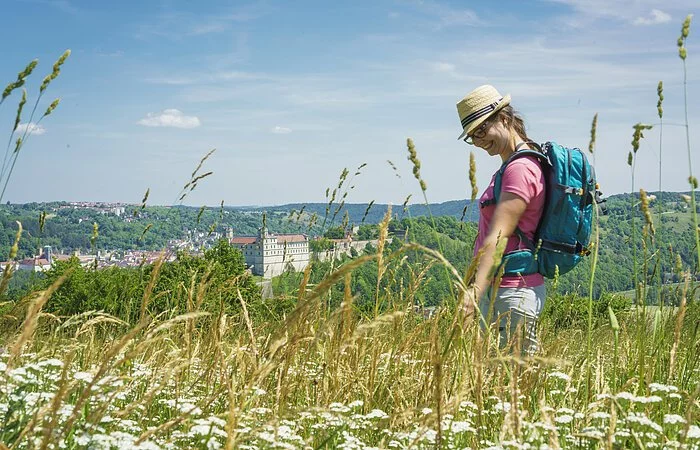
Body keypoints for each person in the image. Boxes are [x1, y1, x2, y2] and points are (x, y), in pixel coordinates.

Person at [455, 85, 546, 354]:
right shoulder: (513, 166)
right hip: (504, 291)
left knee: (512, 386)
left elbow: (499, 236)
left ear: (504, 118)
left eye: (481, 130)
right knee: (501, 385)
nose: (479, 141)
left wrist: (474, 293)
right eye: (472, 136)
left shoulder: (519, 169)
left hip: (510, 292)